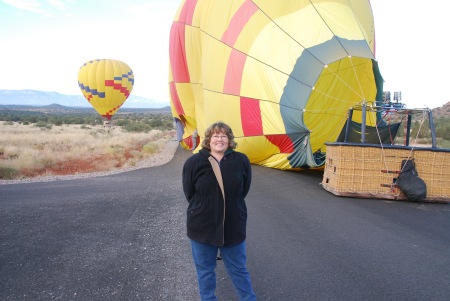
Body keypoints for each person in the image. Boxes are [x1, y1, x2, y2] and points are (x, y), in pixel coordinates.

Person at [182, 121, 256, 301]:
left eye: (224, 136)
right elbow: (189, 193)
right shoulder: (194, 162)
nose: (220, 139)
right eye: (216, 136)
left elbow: (243, 190)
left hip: (233, 225)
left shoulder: (241, 160)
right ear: (208, 139)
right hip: (202, 227)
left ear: (230, 140)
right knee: (205, 271)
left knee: (238, 269)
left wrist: (232, 206)